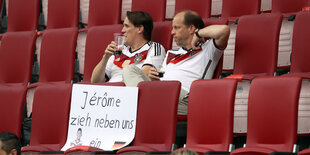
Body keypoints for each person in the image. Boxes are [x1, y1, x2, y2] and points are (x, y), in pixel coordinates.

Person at [123, 10, 230, 115]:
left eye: (177, 28)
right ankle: (139, 103)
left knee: (141, 104)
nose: (172, 32)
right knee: (129, 69)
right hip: (164, 92)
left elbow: (224, 30)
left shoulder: (209, 48)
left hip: (185, 98)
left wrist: (198, 33)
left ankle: (137, 104)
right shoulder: (171, 52)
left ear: (191, 28)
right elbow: (162, 77)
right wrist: (154, 78)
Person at [91, 11, 166, 83]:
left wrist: (115, 87)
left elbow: (143, 76)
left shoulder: (154, 48)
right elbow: (95, 81)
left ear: (140, 29)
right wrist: (106, 57)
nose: (122, 30)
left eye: (126, 26)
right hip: (110, 92)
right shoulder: (119, 49)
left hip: (129, 92)